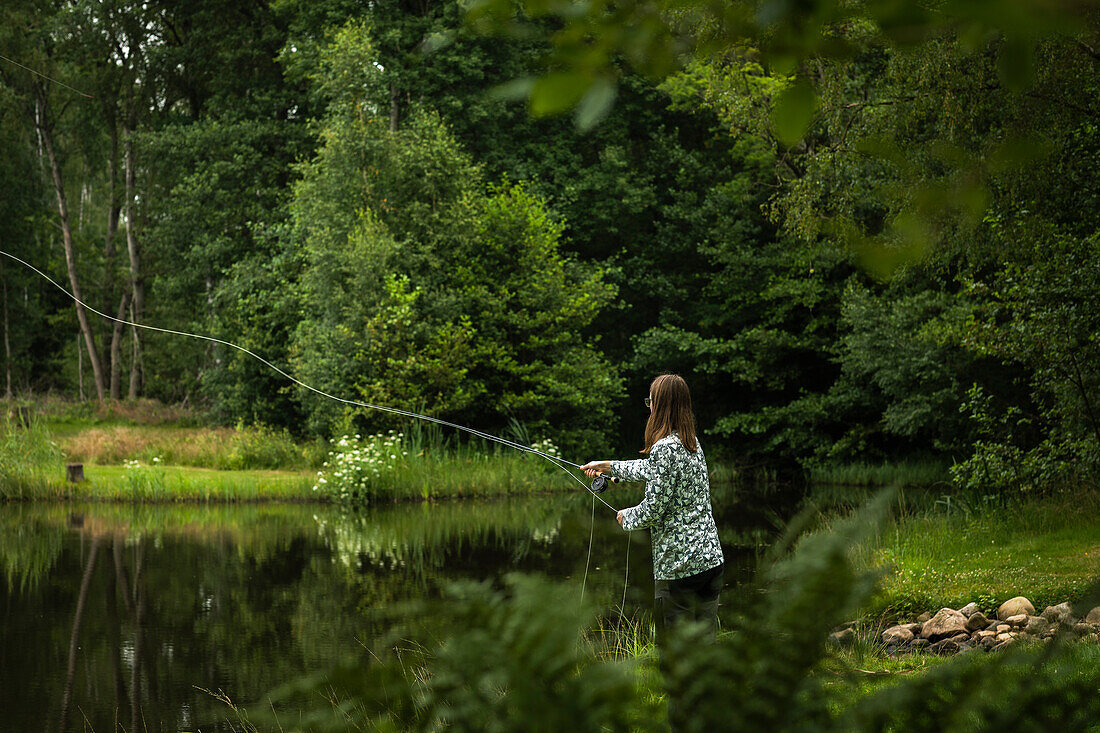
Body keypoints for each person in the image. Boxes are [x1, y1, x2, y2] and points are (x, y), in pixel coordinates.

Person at [581, 373, 724, 647]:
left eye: (651, 401)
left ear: (660, 405)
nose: (649, 406)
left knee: (674, 651)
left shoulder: (664, 448)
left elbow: (654, 509)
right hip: (710, 560)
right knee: (705, 646)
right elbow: (650, 469)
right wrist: (609, 466)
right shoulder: (690, 442)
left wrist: (627, 517)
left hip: (679, 567)